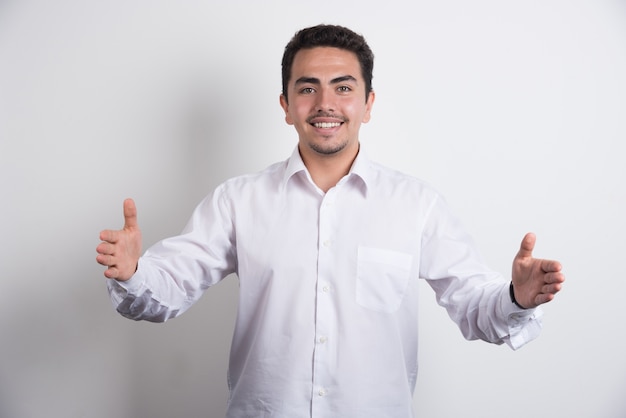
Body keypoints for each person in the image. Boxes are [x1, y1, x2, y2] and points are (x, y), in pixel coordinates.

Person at [96, 24, 565, 418]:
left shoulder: (416, 204)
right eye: (307, 88)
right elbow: (165, 291)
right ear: (286, 105)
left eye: (343, 87)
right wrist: (135, 272)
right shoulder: (238, 201)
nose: (326, 103)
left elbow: (475, 305)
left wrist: (516, 297)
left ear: (368, 103)